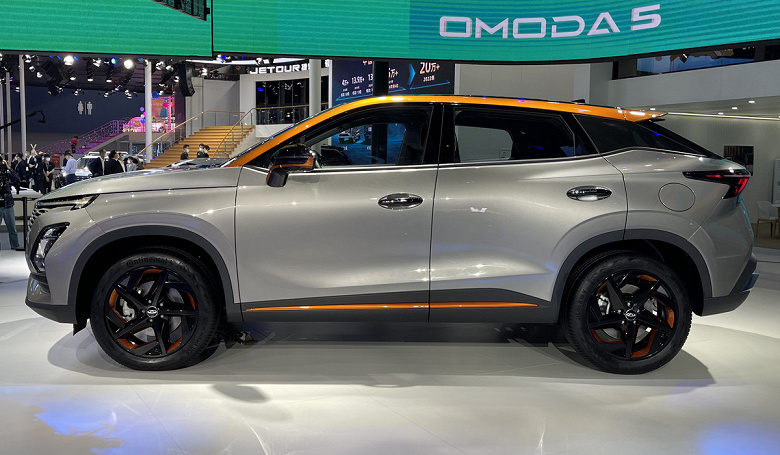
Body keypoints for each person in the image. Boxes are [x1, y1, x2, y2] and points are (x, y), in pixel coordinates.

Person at [0, 156, 22, 251]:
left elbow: (17, 178)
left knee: (12, 229)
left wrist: (8, 168)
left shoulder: (6, 174)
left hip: (7, 204)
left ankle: (15, 246)